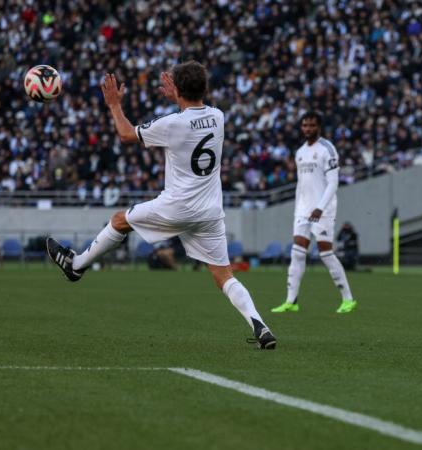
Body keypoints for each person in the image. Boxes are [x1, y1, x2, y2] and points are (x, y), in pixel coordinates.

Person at [45, 61, 276, 349]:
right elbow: (194, 114)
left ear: (178, 89)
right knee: (223, 275)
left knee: (119, 220)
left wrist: (114, 104)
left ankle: (76, 265)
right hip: (210, 212)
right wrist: (178, 96)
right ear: (204, 88)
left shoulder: (172, 123)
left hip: (177, 207)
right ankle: (260, 325)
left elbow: (126, 134)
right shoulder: (218, 116)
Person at [271, 112, 356, 314]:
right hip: (303, 209)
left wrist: (320, 207)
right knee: (297, 253)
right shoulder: (300, 152)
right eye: (304, 125)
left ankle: (348, 299)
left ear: (319, 127)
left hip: (323, 208)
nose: (307, 129)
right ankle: (291, 301)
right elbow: (301, 184)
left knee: (326, 253)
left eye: (311, 125)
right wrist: (298, 209)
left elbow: (333, 182)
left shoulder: (327, 149)